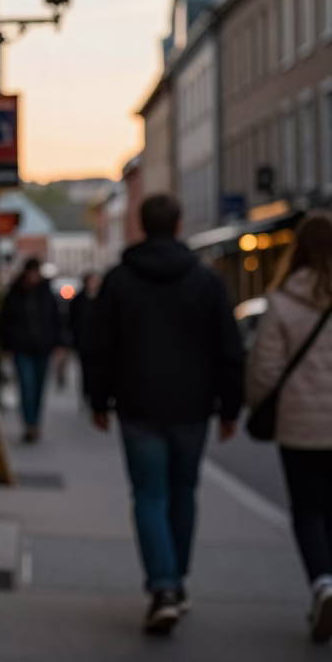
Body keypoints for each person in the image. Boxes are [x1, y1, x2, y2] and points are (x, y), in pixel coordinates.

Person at [86, 194, 243, 635]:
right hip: (192, 406)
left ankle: (163, 585)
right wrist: (230, 406)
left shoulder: (119, 281)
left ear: (140, 225)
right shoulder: (206, 282)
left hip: (138, 404)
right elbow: (228, 349)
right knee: (183, 492)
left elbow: (98, 346)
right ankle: (177, 580)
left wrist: (98, 401)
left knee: (149, 495)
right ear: (178, 226)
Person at [246, 212, 332, 643]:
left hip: (300, 424)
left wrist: (260, 403)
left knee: (308, 510)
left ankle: (322, 583)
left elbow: (264, 369)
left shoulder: (281, 302)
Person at [0, 257, 64, 443]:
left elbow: (55, 319)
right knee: (27, 386)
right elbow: (6, 321)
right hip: (22, 347)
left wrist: (59, 343)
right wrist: (7, 344)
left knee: (39, 387)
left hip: (42, 347)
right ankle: (30, 424)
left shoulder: (45, 294)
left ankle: (35, 421)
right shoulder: (15, 294)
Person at [69, 271, 102, 403]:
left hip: (98, 343)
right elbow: (73, 321)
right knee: (85, 370)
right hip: (83, 342)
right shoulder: (78, 300)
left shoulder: (102, 299)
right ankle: (87, 393)